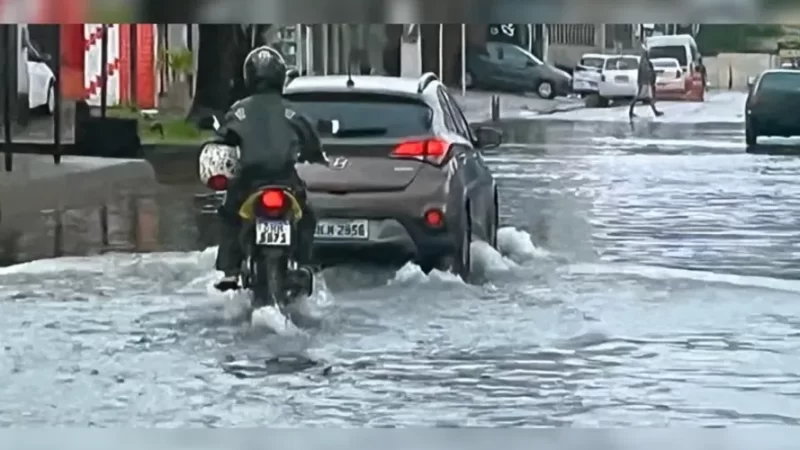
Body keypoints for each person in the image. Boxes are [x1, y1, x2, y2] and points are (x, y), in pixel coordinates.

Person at [210, 45, 329, 292]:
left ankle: (230, 271)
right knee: (307, 215)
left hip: (248, 182)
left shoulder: (238, 110)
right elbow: (311, 141)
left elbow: (223, 141)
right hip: (285, 181)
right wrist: (317, 156)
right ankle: (306, 264)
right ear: (280, 76)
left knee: (229, 214)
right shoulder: (292, 111)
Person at [629, 44, 664, 118]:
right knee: (639, 97)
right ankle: (631, 111)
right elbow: (645, 72)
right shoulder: (644, 61)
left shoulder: (646, 61)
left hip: (645, 82)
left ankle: (655, 112)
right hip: (644, 82)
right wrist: (649, 78)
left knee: (649, 97)